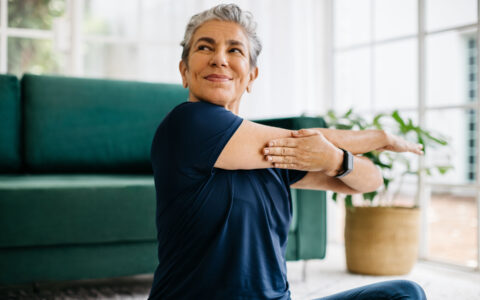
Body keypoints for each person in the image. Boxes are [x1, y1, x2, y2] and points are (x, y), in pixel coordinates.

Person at [148, 4, 427, 300]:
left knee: (404, 293)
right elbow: (300, 141)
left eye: (235, 50)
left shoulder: (276, 152)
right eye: (206, 47)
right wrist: (379, 137)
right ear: (185, 71)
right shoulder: (186, 124)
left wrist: (334, 159)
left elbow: (371, 180)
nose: (219, 59)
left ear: (252, 76)